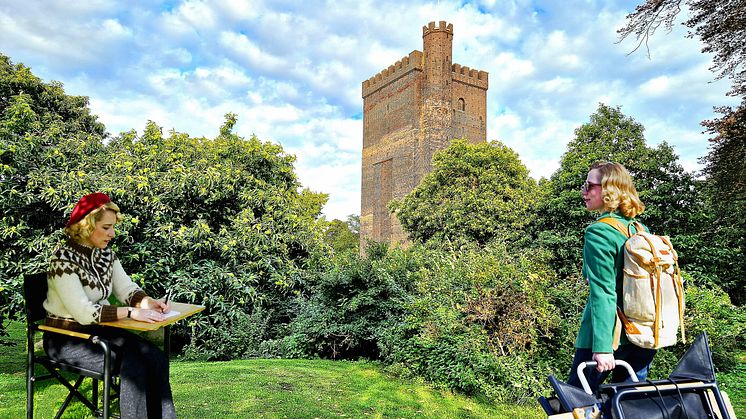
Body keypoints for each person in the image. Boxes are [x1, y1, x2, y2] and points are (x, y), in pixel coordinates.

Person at [43, 192, 177, 418]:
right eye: (106, 227)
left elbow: (126, 290)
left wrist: (149, 303)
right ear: (86, 226)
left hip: (101, 333)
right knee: (134, 363)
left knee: (155, 356)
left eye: (113, 227)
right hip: (66, 338)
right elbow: (84, 314)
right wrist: (133, 312)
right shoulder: (62, 260)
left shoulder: (106, 256)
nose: (112, 234)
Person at [567, 162, 656, 393]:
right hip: (642, 334)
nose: (584, 191)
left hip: (608, 336)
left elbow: (603, 293)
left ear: (609, 189)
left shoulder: (599, 232)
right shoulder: (640, 229)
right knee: (627, 407)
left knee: (575, 402)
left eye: (589, 185)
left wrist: (603, 347)